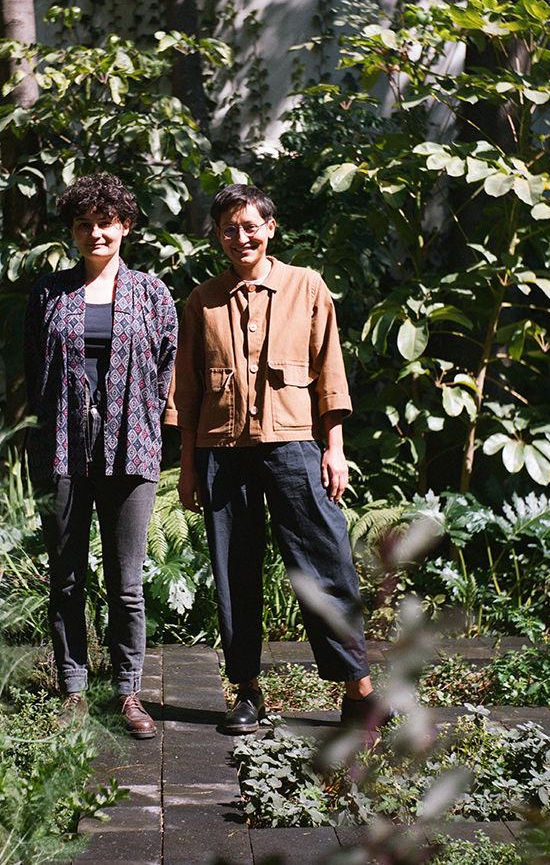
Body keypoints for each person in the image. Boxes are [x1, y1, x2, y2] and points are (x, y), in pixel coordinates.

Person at [165, 183, 378, 736]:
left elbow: (330, 371)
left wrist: (334, 448)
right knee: (234, 571)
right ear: (217, 237)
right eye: (228, 230)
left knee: (325, 563)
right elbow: (185, 392)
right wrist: (188, 464)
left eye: (250, 226)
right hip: (221, 450)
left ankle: (359, 689)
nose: (241, 238)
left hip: (294, 446)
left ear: (270, 228)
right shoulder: (202, 300)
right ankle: (246, 691)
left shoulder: (306, 286)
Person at [23, 173, 177, 739]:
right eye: (84, 225)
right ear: (73, 231)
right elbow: (34, 375)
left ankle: (130, 691)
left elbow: (166, 370)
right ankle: (72, 688)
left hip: (131, 447)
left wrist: (133, 418)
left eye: (105, 224)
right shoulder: (48, 293)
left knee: (126, 581)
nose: (95, 233)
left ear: (125, 227)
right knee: (65, 576)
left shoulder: (152, 293)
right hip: (63, 448)